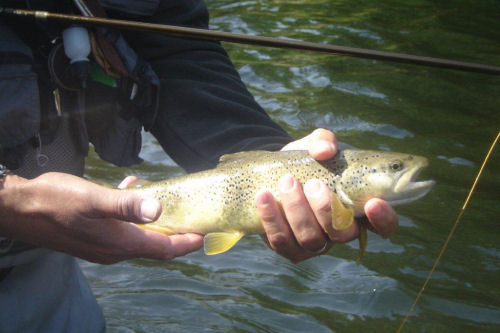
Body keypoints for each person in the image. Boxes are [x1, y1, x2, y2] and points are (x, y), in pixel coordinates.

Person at [0, 1, 398, 331]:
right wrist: (9, 203)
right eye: (395, 167)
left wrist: (267, 157)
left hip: (48, 279)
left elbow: (175, 49)